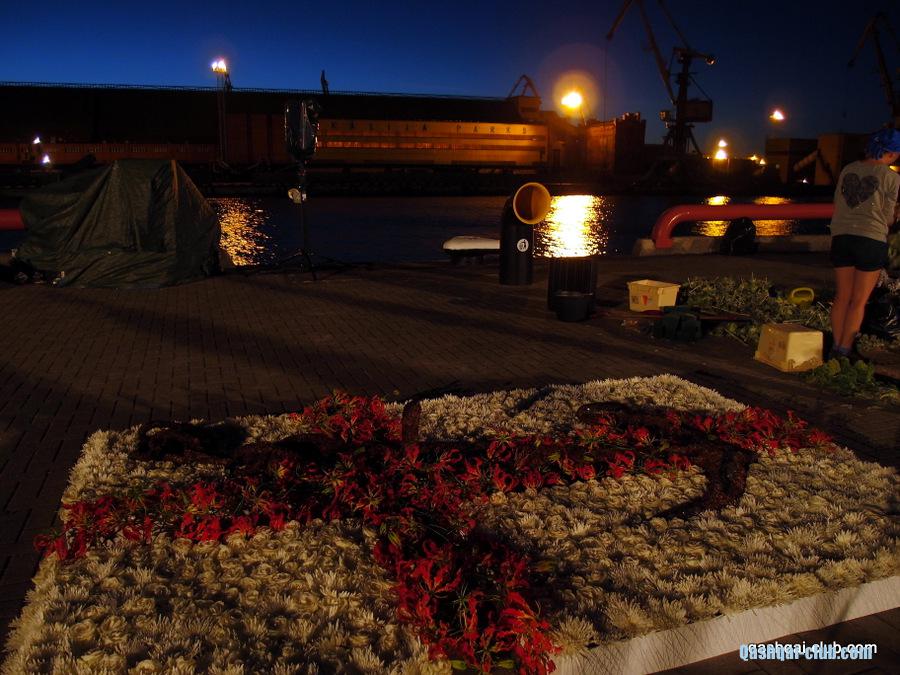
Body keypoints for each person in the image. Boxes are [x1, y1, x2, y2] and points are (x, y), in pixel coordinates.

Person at [828, 127, 900, 360]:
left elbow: (838, 203)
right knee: (858, 301)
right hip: (870, 240)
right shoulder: (891, 177)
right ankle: (844, 350)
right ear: (891, 153)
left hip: (842, 237)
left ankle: (835, 346)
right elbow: (887, 218)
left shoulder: (848, 169)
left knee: (842, 297)